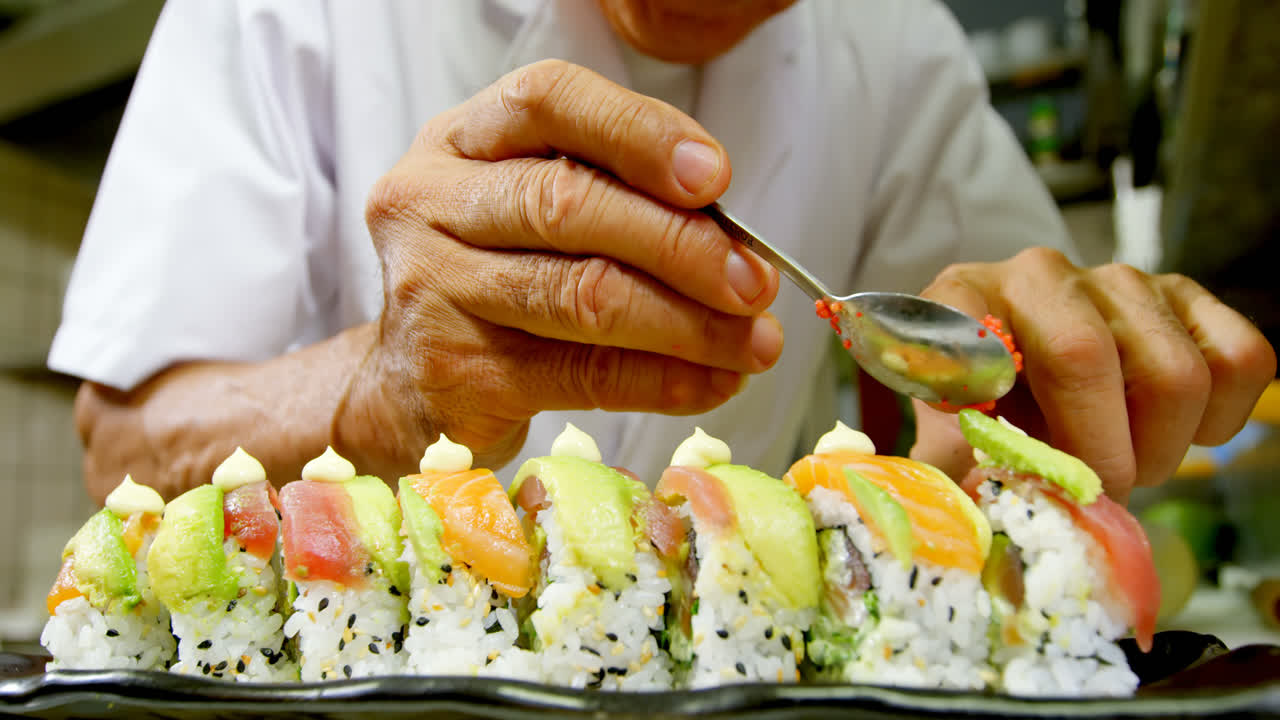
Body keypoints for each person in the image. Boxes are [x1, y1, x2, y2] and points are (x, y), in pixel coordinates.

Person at [50, 0, 1274, 507]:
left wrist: (1038, 400)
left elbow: (972, 417)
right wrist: (374, 388)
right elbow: (121, 436)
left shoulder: (891, 42)